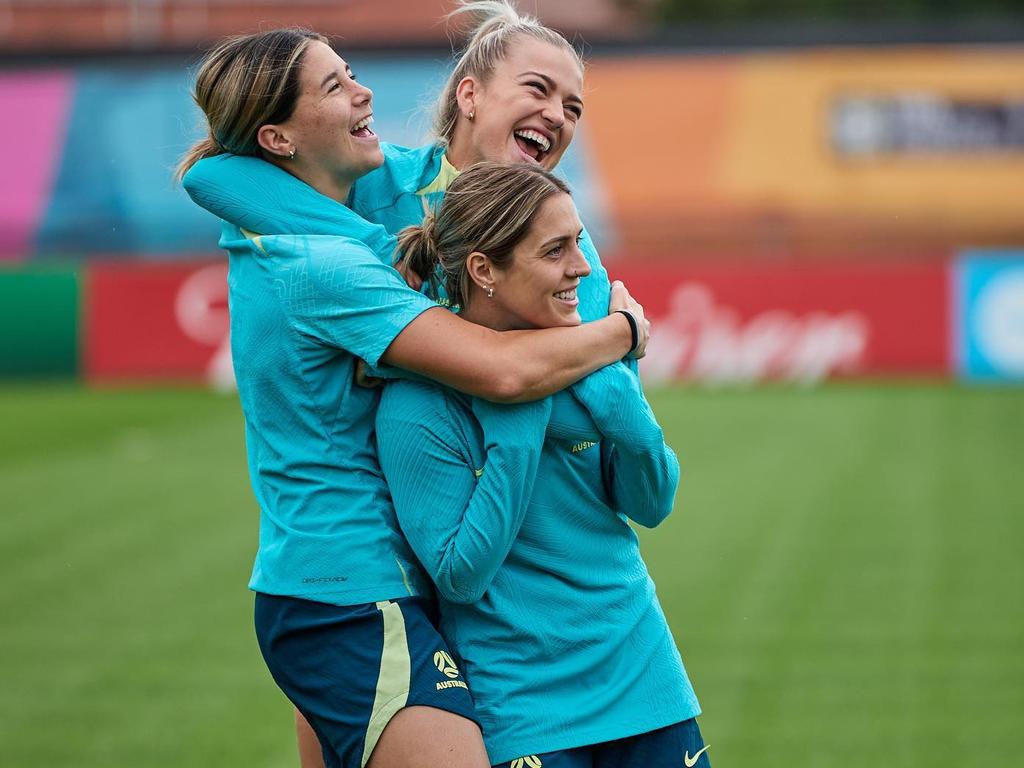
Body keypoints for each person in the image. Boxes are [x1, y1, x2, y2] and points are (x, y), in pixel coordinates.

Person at [176, 28, 648, 768]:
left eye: (573, 105)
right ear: (469, 93)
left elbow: (614, 461)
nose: (556, 114)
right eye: (536, 89)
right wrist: (625, 331)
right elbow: (214, 176)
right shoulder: (374, 193)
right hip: (357, 579)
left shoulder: (566, 252)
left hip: (464, 593)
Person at [376, 163, 708, 767]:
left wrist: (621, 397)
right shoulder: (417, 404)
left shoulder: (588, 351)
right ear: (484, 271)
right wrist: (516, 426)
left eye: (578, 242)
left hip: (644, 673)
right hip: (525, 705)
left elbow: (652, 502)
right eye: (555, 251)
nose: (581, 267)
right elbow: (459, 577)